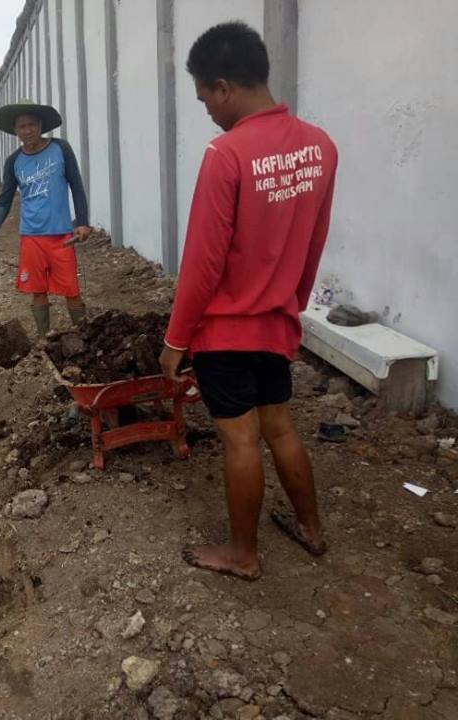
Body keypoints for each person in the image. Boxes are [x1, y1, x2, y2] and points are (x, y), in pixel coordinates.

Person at [158, 21, 338, 580]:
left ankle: (243, 553)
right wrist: (291, 308)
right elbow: (314, 242)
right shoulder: (320, 147)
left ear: (224, 86)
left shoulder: (226, 154)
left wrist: (175, 340)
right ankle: (311, 530)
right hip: (276, 325)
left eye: (205, 98)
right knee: (279, 427)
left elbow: (203, 264)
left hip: (226, 334)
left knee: (240, 440)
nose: (207, 111)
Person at [0, 99, 91, 338]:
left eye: (32, 125)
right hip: (31, 236)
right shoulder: (13, 162)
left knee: (71, 289)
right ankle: (44, 338)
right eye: (21, 127)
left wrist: (82, 222)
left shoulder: (61, 148)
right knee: (38, 290)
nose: (27, 131)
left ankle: (84, 334)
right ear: (15, 130)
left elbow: (76, 186)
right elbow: (5, 200)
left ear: (40, 126)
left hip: (61, 235)